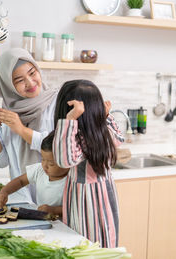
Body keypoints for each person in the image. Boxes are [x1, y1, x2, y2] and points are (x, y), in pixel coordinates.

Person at [53, 79, 124, 248]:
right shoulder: (102, 133)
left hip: (88, 198)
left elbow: (65, 159)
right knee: (102, 240)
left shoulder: (83, 139)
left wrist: (69, 120)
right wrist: (107, 116)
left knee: (87, 243)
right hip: (100, 193)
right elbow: (119, 137)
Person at [0, 48, 58, 200]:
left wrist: (20, 129)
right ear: (8, 85)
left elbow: (61, 149)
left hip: (54, 197)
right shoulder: (5, 112)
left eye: (32, 73)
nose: (30, 82)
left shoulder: (57, 102)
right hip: (22, 196)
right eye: (19, 80)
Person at [0, 131, 68, 216]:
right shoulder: (39, 170)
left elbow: (75, 208)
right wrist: (4, 192)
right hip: (43, 221)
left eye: (51, 163)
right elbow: (20, 181)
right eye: (43, 159)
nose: (45, 165)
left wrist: (54, 210)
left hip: (63, 225)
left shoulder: (72, 180)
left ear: (68, 162)